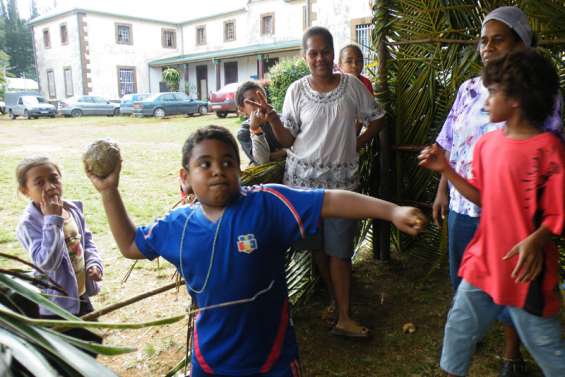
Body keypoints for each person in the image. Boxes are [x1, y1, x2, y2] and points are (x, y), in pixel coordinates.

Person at [87, 125, 426, 376]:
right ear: (185, 177)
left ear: (238, 169)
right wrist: (108, 192)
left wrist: (391, 211)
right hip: (210, 362)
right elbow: (131, 245)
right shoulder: (178, 226)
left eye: (228, 161)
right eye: (204, 164)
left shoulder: (267, 203)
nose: (218, 169)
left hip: (273, 360)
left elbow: (331, 200)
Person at [432, 6, 562, 375]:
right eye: (483, 40)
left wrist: (537, 238)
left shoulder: (546, 138)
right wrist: (444, 178)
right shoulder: (479, 119)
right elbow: (459, 157)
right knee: (460, 319)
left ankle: (512, 354)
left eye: (498, 39)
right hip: (477, 239)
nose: (487, 46)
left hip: (521, 247)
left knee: (541, 336)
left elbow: (555, 204)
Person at [245, 26, 386, 339]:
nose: (320, 58)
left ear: (333, 53)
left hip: (341, 185)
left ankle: (345, 317)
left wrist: (358, 143)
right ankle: (337, 302)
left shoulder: (351, 87)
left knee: (340, 252)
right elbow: (289, 138)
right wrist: (273, 120)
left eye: (326, 51)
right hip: (302, 186)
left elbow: (377, 117)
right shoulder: (296, 90)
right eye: (313, 52)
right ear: (304, 55)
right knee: (318, 248)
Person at [15, 157, 104, 350]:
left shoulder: (72, 209)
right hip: (56, 305)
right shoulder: (29, 224)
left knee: (93, 341)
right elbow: (47, 263)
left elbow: (86, 242)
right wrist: (52, 220)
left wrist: (93, 264)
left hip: (80, 294)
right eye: (39, 183)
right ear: (25, 191)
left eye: (54, 178)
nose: (49, 186)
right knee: (70, 353)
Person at [236, 81, 286, 165]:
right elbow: (262, 161)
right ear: (242, 110)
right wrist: (255, 129)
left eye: (261, 98)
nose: (259, 104)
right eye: (252, 101)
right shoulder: (244, 132)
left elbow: (300, 147)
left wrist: (272, 156)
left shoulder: (279, 119)